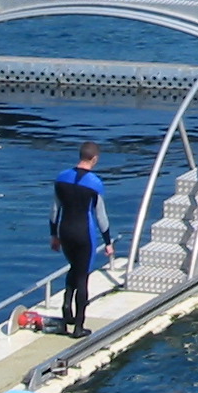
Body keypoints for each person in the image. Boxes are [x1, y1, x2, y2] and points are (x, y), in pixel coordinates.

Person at [50, 141, 112, 339]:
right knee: (83, 276)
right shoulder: (95, 183)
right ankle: (78, 327)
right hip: (84, 233)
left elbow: (54, 211)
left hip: (65, 231)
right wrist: (108, 242)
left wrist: (54, 236)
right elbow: (101, 216)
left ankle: (66, 311)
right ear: (95, 159)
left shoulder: (61, 178)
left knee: (73, 268)